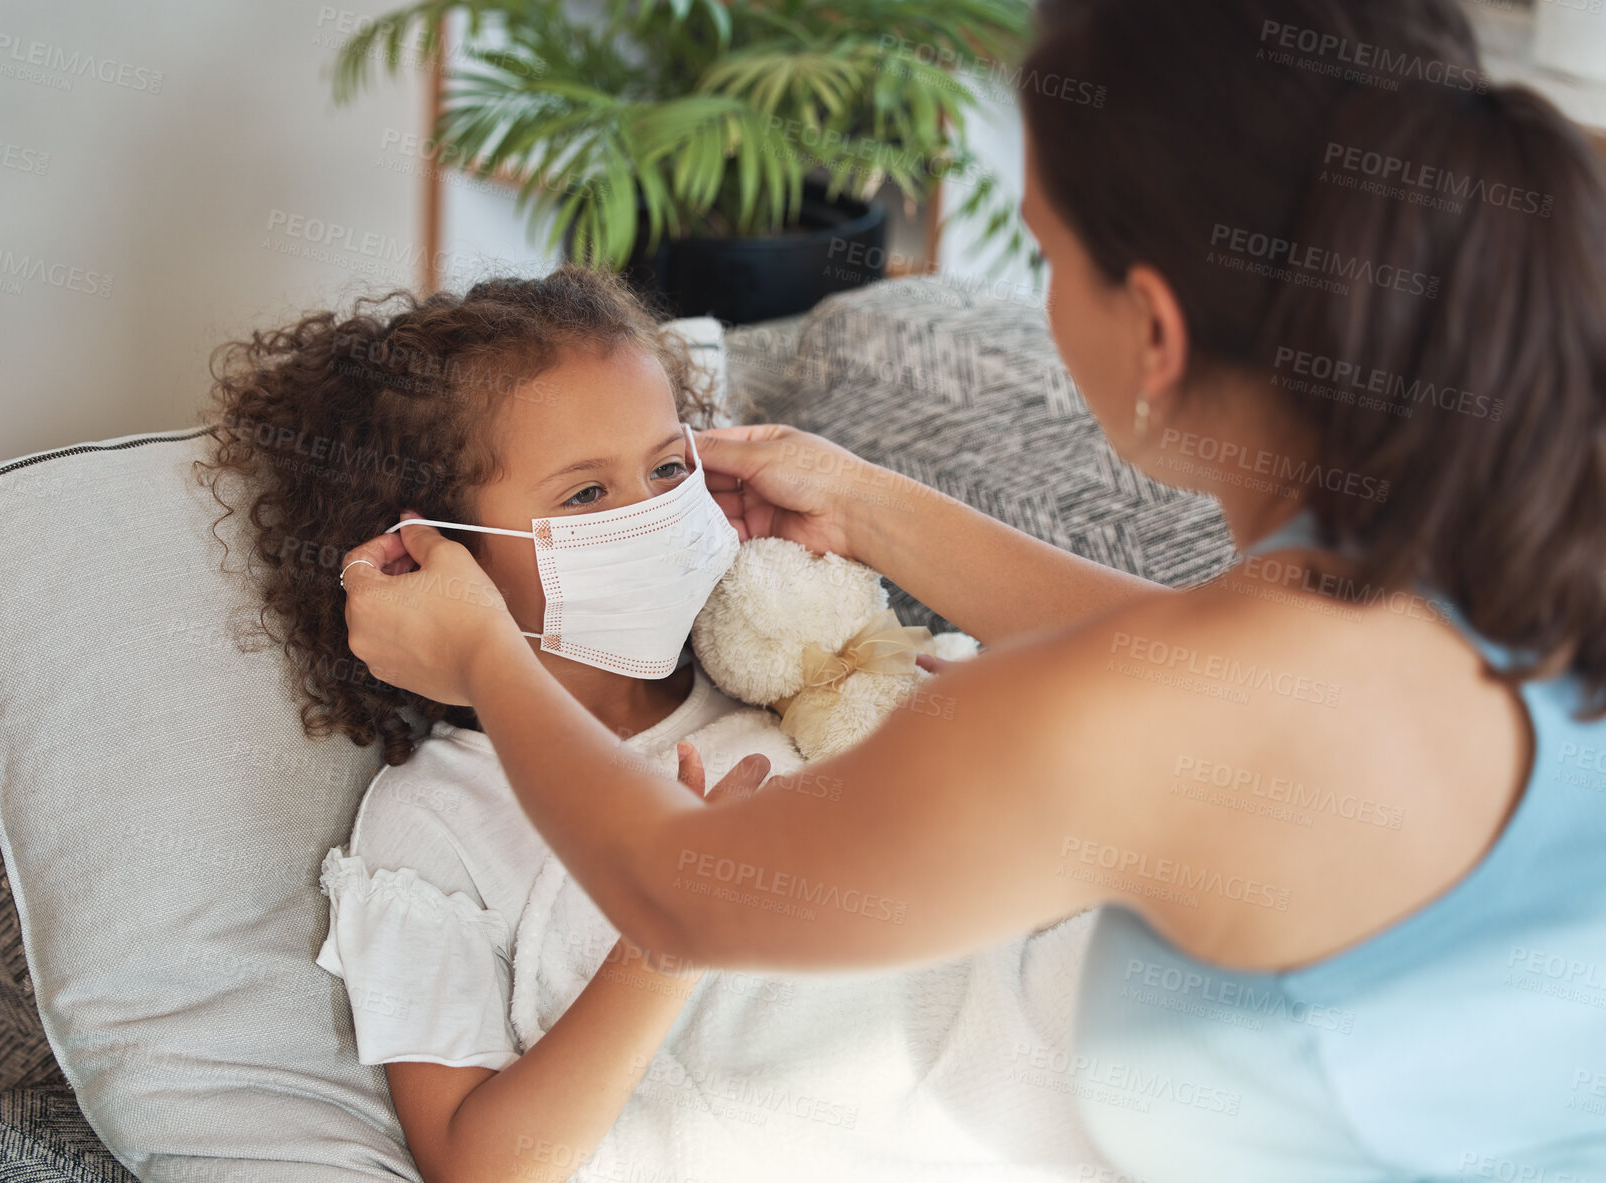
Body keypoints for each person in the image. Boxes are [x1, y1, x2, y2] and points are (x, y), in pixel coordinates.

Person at [339, 0, 1606, 1176]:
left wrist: (480, 660)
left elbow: (682, 896)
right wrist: (877, 510)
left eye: (1042, 254)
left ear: (1151, 331)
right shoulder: (1518, 559)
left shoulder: (1093, 718)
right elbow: (1214, 671)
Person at [195, 269, 1111, 1183]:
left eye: (669, 468)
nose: (652, 515)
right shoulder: (436, 816)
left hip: (1071, 1065)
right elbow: (482, 1165)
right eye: (585, 495)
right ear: (430, 549)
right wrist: (667, 939)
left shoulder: (781, 672)